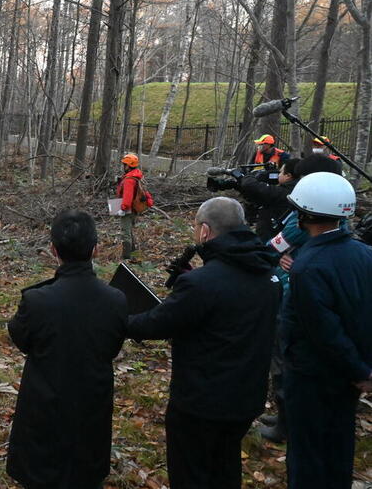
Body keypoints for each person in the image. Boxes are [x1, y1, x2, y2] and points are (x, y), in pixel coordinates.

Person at [127, 197, 277, 489]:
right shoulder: (266, 274)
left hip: (201, 402)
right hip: (246, 398)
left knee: (191, 473)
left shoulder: (202, 285)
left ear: (205, 231)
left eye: (196, 226)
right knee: (225, 466)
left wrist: (118, 318)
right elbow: (229, 303)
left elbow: (157, 323)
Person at [7, 210, 127, 489]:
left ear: (53, 250)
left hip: (43, 416)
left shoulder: (36, 301)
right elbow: (112, 347)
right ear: (96, 249)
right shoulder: (116, 300)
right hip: (91, 413)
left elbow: (19, 337)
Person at [281, 172, 372, 489]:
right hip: (347, 377)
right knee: (338, 450)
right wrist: (362, 369)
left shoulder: (308, 268)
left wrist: (361, 371)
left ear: (305, 214)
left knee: (307, 458)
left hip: (312, 378)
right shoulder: (365, 254)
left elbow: (324, 332)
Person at [258, 154, 343, 444]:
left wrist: (274, 253)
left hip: (292, 292)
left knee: (284, 355)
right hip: (300, 286)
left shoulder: (304, 216)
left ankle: (287, 422)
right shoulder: (335, 214)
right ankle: (286, 413)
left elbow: (275, 245)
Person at [237, 156, 299, 242]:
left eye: (280, 172)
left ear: (288, 176)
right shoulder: (298, 189)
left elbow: (251, 185)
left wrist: (249, 176)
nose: (278, 174)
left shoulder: (283, 192)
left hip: (271, 239)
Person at [115, 153, 154, 261]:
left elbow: (127, 197)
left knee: (125, 233)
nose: (123, 167)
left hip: (128, 209)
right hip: (134, 209)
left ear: (128, 166)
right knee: (129, 231)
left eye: (125, 165)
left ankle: (126, 257)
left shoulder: (129, 180)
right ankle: (133, 254)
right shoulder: (137, 175)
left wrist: (123, 209)